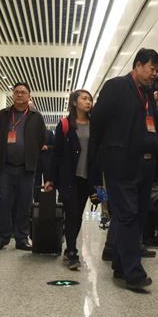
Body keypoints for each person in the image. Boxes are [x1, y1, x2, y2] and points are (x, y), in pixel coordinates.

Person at [90, 49, 158, 290]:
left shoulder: (149, 94)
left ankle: (120, 264)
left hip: (146, 164)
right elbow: (97, 122)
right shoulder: (116, 87)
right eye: (152, 68)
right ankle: (134, 273)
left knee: (136, 214)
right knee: (128, 214)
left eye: (157, 69)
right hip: (120, 163)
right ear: (138, 65)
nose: (155, 73)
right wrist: (98, 160)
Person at [44, 89, 98, 271]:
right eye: (83, 98)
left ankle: (70, 246)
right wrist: (50, 178)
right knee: (72, 212)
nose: (88, 101)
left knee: (77, 214)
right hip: (68, 177)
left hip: (86, 177)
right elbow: (56, 154)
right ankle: (72, 250)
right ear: (75, 102)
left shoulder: (95, 124)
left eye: (89, 99)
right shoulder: (65, 124)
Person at [0, 83, 46, 252]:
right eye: (17, 92)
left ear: (29, 96)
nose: (20, 95)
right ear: (12, 95)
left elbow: (41, 138)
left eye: (23, 92)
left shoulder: (36, 116)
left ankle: (22, 238)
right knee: (3, 203)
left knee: (24, 203)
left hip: (26, 168)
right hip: (5, 168)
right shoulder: (3, 114)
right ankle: (4, 237)